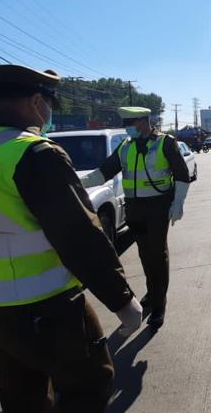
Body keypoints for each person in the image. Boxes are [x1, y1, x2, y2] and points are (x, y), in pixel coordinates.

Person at [0, 64, 143, 413]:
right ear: (37, 102)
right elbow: (78, 235)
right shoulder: (33, 153)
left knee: (23, 400)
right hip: (42, 307)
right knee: (89, 386)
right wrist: (122, 300)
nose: (48, 114)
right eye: (48, 106)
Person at [82, 106, 192, 328]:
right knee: (145, 254)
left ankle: (159, 305)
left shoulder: (165, 143)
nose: (127, 128)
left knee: (158, 254)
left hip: (158, 207)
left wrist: (178, 203)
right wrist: (77, 182)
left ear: (143, 121)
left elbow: (182, 174)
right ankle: (153, 293)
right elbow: (104, 172)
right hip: (135, 209)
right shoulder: (125, 146)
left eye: (130, 123)